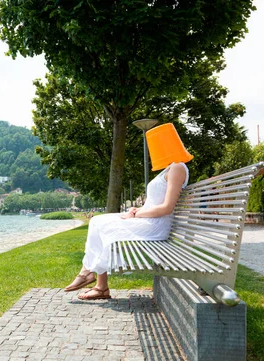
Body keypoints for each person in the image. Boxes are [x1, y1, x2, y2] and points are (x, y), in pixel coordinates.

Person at [64, 123, 194, 300]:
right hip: (147, 219)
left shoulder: (178, 168)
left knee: (101, 224)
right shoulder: (170, 168)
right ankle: (93, 278)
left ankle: (92, 278)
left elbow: (167, 207)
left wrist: (135, 214)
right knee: (97, 221)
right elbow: (155, 202)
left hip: (155, 226)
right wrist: (137, 209)